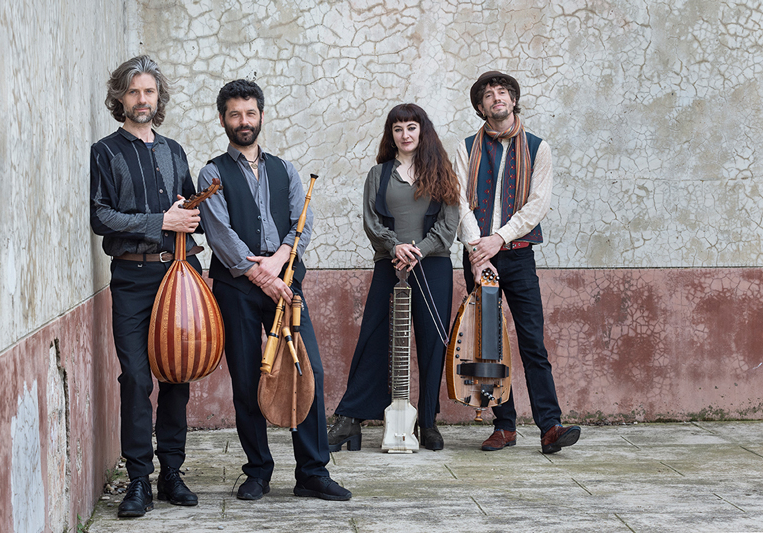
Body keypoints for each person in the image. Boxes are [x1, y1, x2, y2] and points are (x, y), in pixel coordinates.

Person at [198, 79, 351, 502]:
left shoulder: (285, 168)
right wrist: (259, 273)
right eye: (234, 114)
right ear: (223, 119)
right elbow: (219, 232)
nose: (243, 121)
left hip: (287, 283)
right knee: (250, 378)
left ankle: (312, 472)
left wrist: (282, 257)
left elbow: (303, 221)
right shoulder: (212, 171)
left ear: (261, 116)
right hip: (238, 285)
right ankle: (258, 471)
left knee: (307, 370)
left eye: (250, 113)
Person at [90, 55, 201, 518]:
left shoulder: (174, 150)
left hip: (178, 274)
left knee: (176, 375)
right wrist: (161, 220)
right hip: (132, 278)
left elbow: (190, 212)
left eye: (149, 92)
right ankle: (138, 481)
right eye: (134, 92)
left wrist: (186, 215)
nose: (142, 100)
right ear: (120, 98)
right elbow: (101, 216)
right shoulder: (105, 151)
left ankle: (171, 472)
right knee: (136, 377)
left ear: (159, 99)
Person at [455, 71, 581, 454]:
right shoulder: (465, 148)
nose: (497, 98)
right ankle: (504, 426)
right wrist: (478, 250)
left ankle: (550, 426)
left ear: (513, 100)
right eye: (489, 94)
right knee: (488, 344)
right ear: (481, 107)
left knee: (531, 342)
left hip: (518, 254)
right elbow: (457, 199)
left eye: (503, 92)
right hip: (479, 256)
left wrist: (499, 239)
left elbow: (537, 205)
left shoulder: (538, 148)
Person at [328, 104, 459, 452]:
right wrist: (396, 247)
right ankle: (351, 419)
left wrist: (420, 249)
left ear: (422, 131)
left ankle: (428, 421)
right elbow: (372, 222)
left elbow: (449, 226)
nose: (405, 134)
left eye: (411, 127)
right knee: (375, 337)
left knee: (432, 342)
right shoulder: (379, 174)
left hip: (432, 265)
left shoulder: (442, 171)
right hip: (391, 264)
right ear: (391, 134)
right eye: (398, 128)